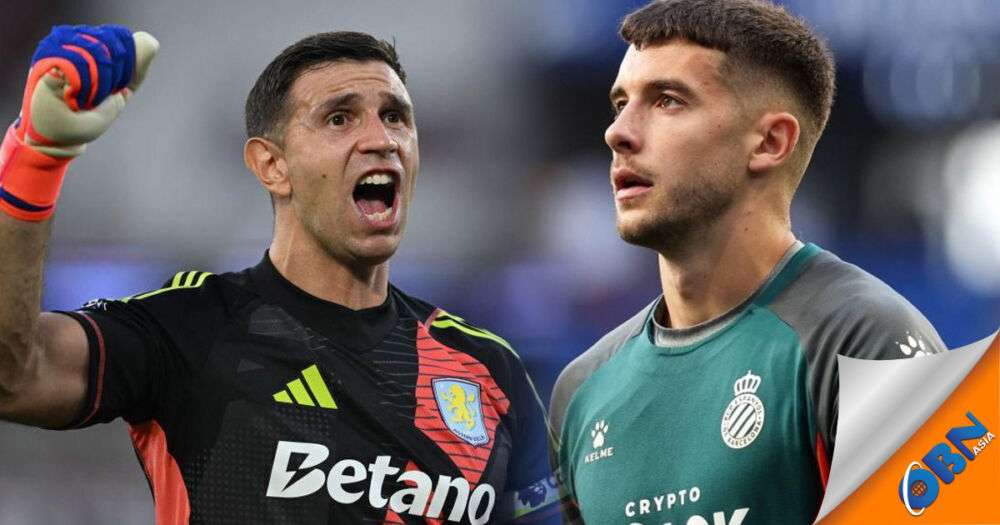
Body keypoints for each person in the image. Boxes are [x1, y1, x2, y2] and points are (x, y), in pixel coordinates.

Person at [0, 25, 559, 524]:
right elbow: (15, 376)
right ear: (271, 165)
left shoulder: (489, 370)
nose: (381, 140)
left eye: (395, 117)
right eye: (339, 118)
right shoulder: (193, 328)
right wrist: (36, 159)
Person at [547, 1, 947, 523]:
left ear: (770, 142)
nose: (617, 132)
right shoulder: (582, 390)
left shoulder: (868, 340)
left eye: (667, 101)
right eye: (620, 103)